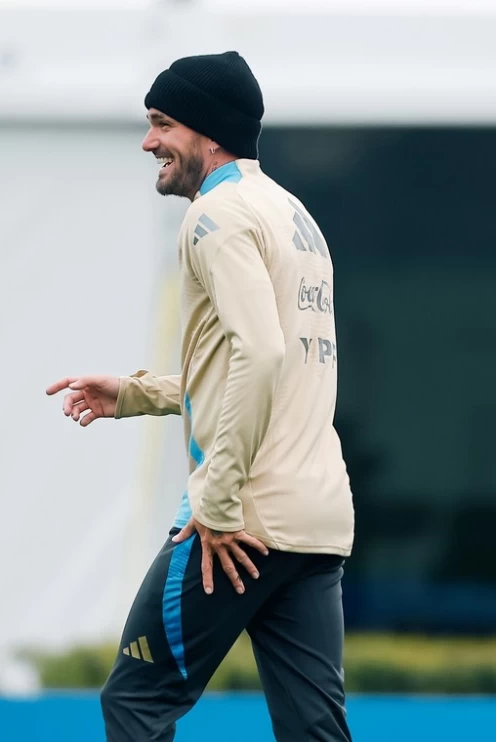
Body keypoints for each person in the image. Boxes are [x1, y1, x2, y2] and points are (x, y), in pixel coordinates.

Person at [45, 51, 355, 742]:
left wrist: (216, 501)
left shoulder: (214, 216)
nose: (150, 142)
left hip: (238, 518)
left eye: (162, 124)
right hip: (316, 520)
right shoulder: (293, 213)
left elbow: (262, 352)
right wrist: (135, 393)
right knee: (314, 731)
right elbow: (272, 363)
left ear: (208, 132)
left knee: (136, 703)